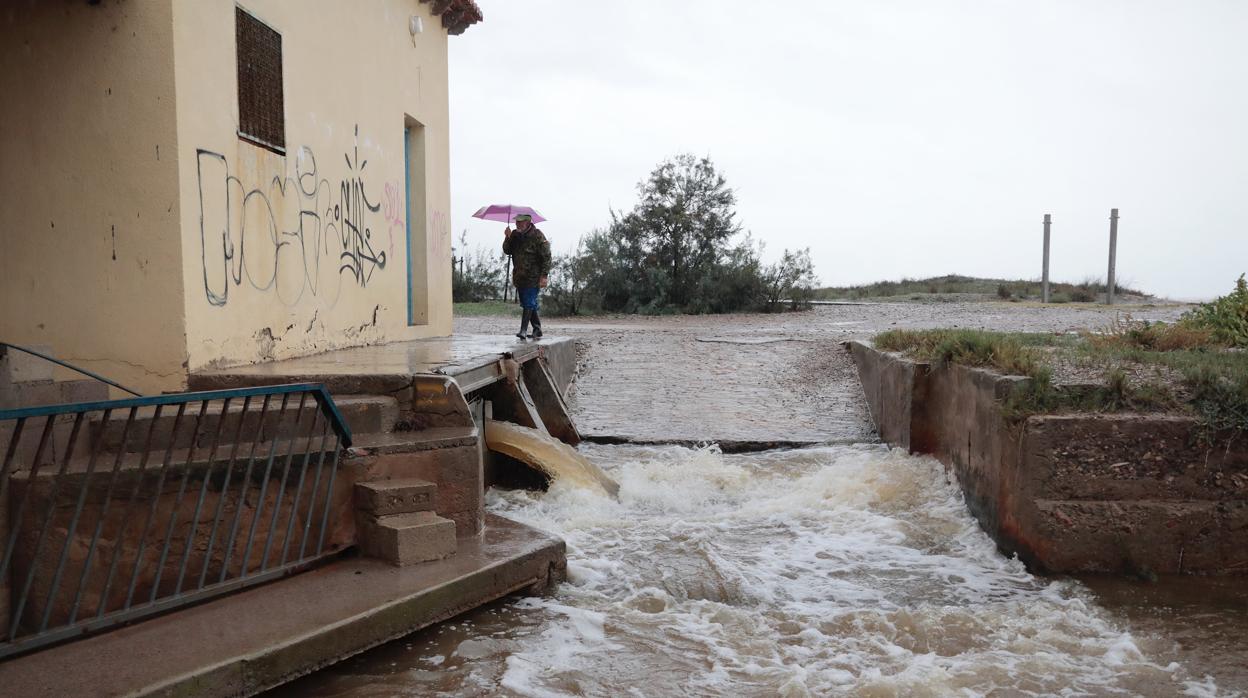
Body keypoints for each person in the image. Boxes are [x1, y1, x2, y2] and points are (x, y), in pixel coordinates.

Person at [501, 214, 551, 340]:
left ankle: (523, 331)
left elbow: (546, 256)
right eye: (516, 222)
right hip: (519, 276)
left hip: (533, 276)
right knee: (527, 303)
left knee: (529, 302)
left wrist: (544, 275)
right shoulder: (514, 235)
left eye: (520, 222)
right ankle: (537, 329)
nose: (517, 224)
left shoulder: (537, 235)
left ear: (528, 222)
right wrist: (507, 237)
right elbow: (507, 250)